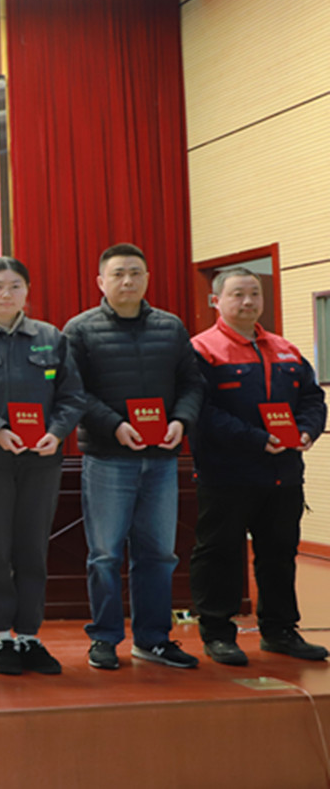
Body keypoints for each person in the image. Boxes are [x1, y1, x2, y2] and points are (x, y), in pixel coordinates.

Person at [64, 243, 205, 670]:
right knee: (105, 554)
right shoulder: (80, 330)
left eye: (136, 273)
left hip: (162, 458)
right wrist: (114, 426)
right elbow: (73, 392)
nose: (128, 281)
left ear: (147, 278)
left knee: (159, 554)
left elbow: (192, 383)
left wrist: (181, 421)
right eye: (118, 273)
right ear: (100, 281)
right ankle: (104, 638)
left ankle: (153, 639)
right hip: (108, 457)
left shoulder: (170, 327)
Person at [0, 257, 86, 675]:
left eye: (15, 286)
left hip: (41, 459)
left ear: (27, 291)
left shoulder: (50, 337)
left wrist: (56, 432)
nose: (6, 294)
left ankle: (29, 634)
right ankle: (1, 635)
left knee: (32, 547)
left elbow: (72, 396)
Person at [189, 267, 328, 664]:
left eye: (254, 293)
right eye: (237, 294)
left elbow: (312, 399)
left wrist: (307, 431)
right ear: (216, 301)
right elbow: (202, 411)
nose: (248, 301)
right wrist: (254, 439)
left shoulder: (285, 349)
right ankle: (218, 632)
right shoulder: (202, 350)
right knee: (219, 553)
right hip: (226, 473)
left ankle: (280, 631)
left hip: (282, 473)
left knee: (279, 553)